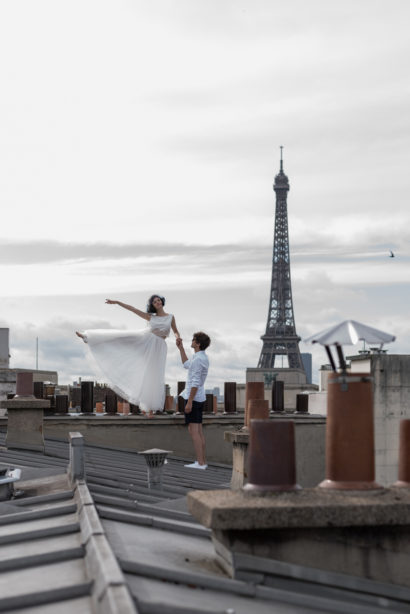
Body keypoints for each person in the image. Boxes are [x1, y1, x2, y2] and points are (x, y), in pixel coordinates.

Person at [76, 295, 180, 412]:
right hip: (147, 341)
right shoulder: (150, 317)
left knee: (155, 374)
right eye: (155, 302)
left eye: (159, 300)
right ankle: (89, 336)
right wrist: (117, 302)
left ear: (162, 302)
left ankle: (150, 408)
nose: (157, 302)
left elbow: (175, 331)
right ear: (152, 305)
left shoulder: (171, 317)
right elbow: (133, 309)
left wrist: (178, 338)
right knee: (123, 338)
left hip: (160, 346)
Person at [176, 332, 210, 469]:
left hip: (194, 398)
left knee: (194, 431)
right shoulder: (200, 357)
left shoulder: (198, 359)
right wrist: (181, 348)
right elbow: (186, 364)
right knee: (199, 431)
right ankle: (202, 461)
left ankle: (200, 463)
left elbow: (195, 382)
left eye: (193, 340)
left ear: (198, 343)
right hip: (198, 397)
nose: (192, 341)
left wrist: (189, 401)